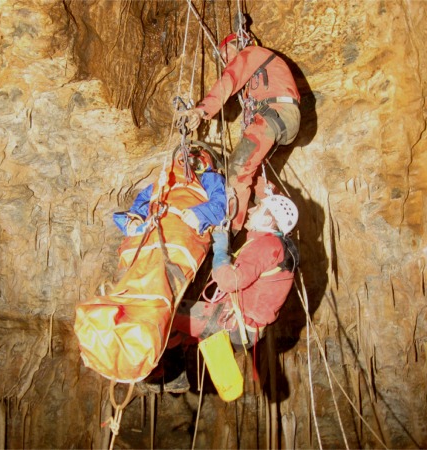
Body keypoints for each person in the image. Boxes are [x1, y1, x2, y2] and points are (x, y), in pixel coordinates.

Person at [142, 194, 299, 394]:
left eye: (258, 208)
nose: (250, 210)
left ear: (269, 219)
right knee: (180, 332)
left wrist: (220, 249)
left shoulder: (267, 245)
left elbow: (228, 281)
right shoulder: (275, 246)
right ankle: (171, 367)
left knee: (164, 315)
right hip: (244, 329)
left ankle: (173, 376)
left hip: (232, 324)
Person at [181, 30, 301, 232]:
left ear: (241, 43)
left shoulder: (253, 53)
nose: (224, 57)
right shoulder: (255, 82)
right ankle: (272, 208)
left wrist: (202, 110)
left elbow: (230, 78)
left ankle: (230, 231)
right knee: (250, 173)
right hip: (280, 119)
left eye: (226, 50)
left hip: (277, 112)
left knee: (238, 170)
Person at [113, 148, 227, 238]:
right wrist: (132, 221)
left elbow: (221, 203)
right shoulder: (168, 178)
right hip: (156, 223)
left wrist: (199, 215)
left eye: (195, 162)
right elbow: (143, 200)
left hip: (183, 225)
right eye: (185, 160)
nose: (189, 165)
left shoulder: (210, 178)